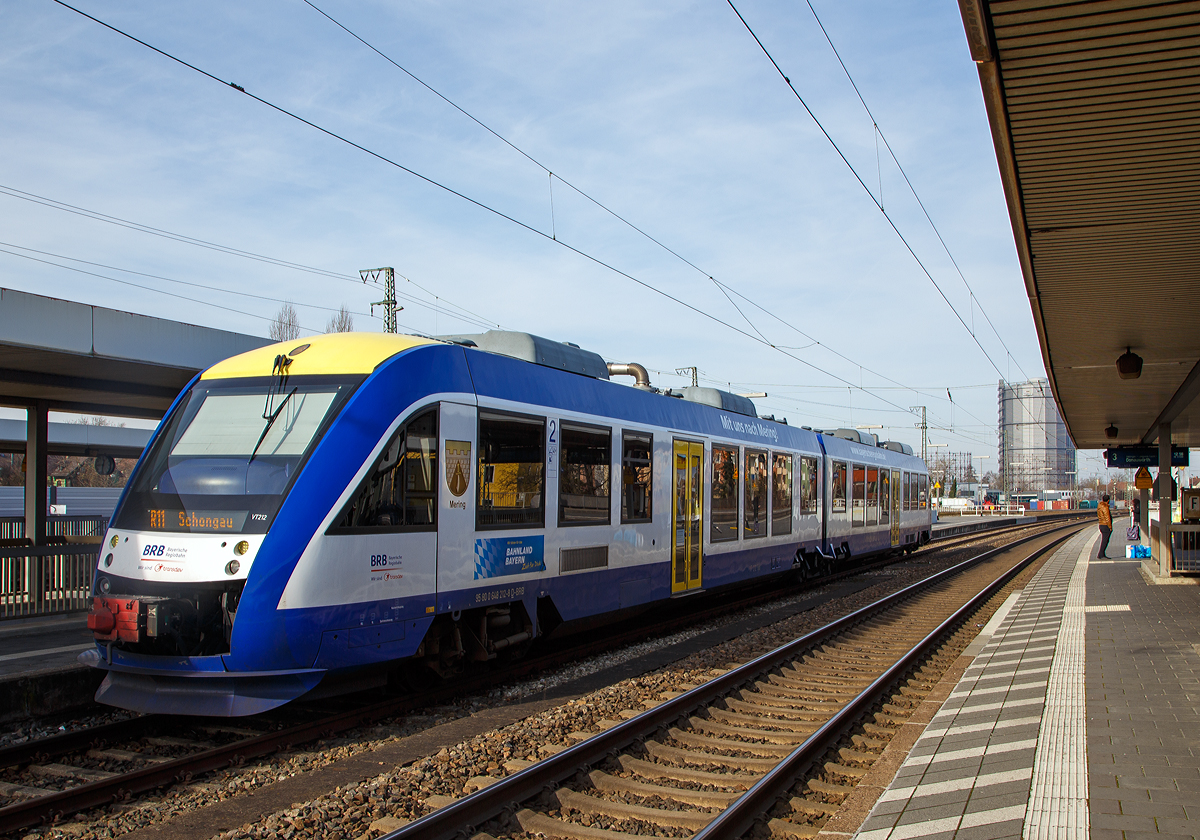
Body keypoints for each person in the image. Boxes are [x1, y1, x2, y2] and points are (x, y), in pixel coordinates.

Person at [1097, 494, 1112, 558]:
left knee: (1104, 540)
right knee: (1105, 541)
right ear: (1108, 500)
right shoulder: (1105, 507)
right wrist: (1110, 527)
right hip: (1105, 525)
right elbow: (1107, 518)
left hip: (1101, 524)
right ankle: (1101, 554)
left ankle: (1102, 554)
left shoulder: (1099, 506)